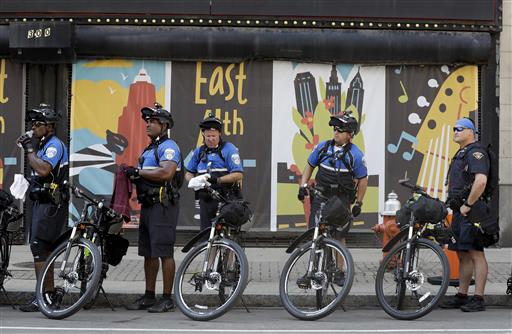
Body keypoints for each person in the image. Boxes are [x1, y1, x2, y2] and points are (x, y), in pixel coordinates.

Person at [297, 112, 368, 286]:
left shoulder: (356, 155)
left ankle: (339, 271)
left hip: (341, 199)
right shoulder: (322, 148)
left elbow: (363, 180)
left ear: (349, 134)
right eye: (335, 129)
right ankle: (311, 271)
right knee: (314, 233)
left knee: (338, 235)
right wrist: (303, 185)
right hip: (320, 196)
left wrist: (359, 202)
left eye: (340, 130)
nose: (336, 132)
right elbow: (309, 166)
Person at [125, 103, 181, 313]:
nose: (148, 124)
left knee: (164, 252)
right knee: (148, 253)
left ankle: (167, 298)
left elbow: (166, 173)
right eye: (147, 121)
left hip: (163, 206)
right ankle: (149, 296)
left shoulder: (168, 147)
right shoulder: (150, 148)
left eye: (153, 121)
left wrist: (138, 173)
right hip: (148, 206)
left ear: (164, 125)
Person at [16, 103, 69, 312]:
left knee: (40, 247)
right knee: (43, 248)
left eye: (38, 124)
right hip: (43, 202)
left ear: (49, 126)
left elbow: (44, 169)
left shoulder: (54, 145)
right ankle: (47, 294)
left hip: (51, 204)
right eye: (32, 123)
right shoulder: (45, 144)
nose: (34, 127)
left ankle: (43, 297)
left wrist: (29, 149)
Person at [440, 117, 490, 312]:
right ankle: (462, 295)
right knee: (463, 253)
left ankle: (478, 298)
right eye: (454, 128)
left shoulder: (476, 152)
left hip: (472, 210)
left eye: (460, 128)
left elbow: (481, 181)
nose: (455, 131)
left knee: (476, 253)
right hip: (460, 210)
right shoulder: (462, 152)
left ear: (471, 132)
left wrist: (468, 205)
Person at [185, 113, 243, 232]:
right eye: (208, 136)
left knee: (228, 234)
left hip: (226, 199)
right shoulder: (199, 151)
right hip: (206, 200)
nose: (210, 139)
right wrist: (193, 180)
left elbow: (238, 174)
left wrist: (217, 180)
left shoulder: (229, 148)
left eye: (214, 136)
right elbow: (188, 172)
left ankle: (231, 250)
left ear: (219, 134)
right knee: (207, 235)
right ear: (203, 135)